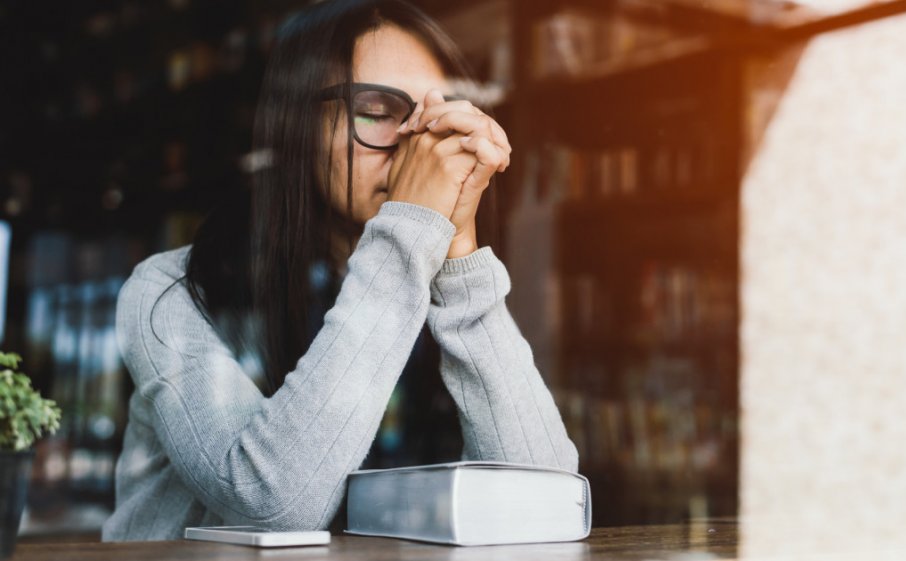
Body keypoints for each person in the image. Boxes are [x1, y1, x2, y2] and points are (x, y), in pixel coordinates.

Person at [102, 0, 578, 541]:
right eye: (377, 110)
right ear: (297, 128)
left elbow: (549, 504)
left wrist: (459, 258)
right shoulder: (168, 293)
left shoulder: (425, 284)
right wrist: (412, 227)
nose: (419, 149)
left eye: (438, 120)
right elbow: (272, 505)